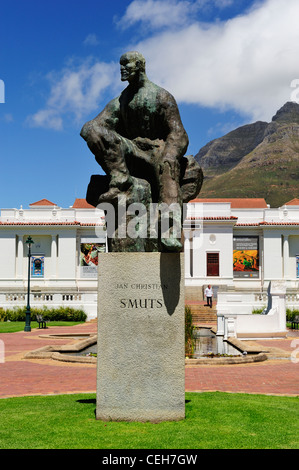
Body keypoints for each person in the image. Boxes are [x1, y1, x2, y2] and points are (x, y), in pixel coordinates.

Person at [80, 51, 189, 251]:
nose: (122, 69)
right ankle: (120, 180)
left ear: (140, 66)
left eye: (126, 64)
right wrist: (91, 131)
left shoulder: (161, 96)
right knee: (91, 129)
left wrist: (171, 154)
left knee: (169, 171)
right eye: (120, 65)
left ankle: (170, 231)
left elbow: (178, 132)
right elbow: (97, 124)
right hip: (132, 151)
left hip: (158, 151)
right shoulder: (121, 100)